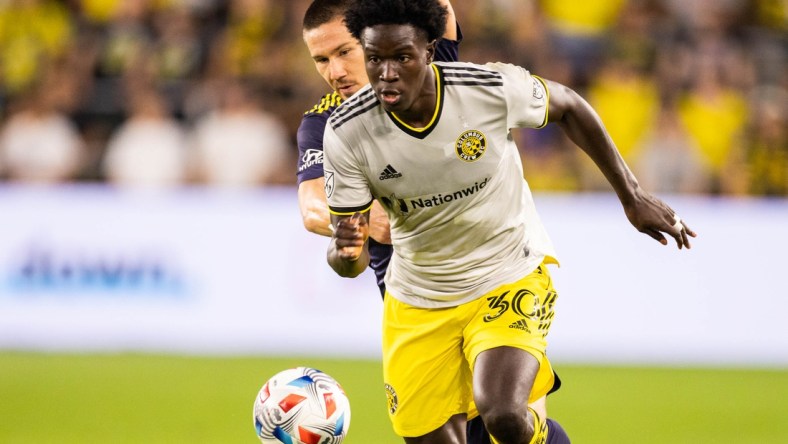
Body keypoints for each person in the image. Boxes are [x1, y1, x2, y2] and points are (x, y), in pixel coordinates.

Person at [322, 1, 697, 443]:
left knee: (502, 414)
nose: (385, 73)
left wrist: (631, 197)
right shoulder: (346, 131)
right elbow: (350, 262)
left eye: (401, 57)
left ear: (428, 51)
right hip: (419, 300)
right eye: (374, 59)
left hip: (506, 273)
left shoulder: (487, 88)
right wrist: (344, 252)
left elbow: (570, 106)